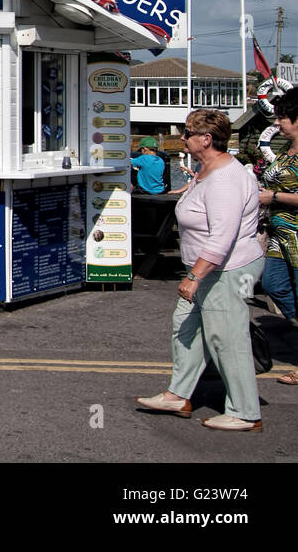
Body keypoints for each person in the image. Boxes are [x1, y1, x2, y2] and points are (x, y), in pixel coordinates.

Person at [136, 109, 265, 432]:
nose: (182, 137)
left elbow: (223, 235)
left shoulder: (226, 179)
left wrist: (195, 276)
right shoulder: (206, 169)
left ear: (206, 139)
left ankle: (246, 412)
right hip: (207, 268)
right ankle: (178, 395)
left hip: (226, 269)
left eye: (188, 133)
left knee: (226, 338)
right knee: (185, 326)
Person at [258, 91, 298, 385]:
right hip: (278, 234)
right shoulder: (287, 149)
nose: (278, 122)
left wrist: (272, 196)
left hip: (296, 236)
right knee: (273, 285)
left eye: (283, 117)